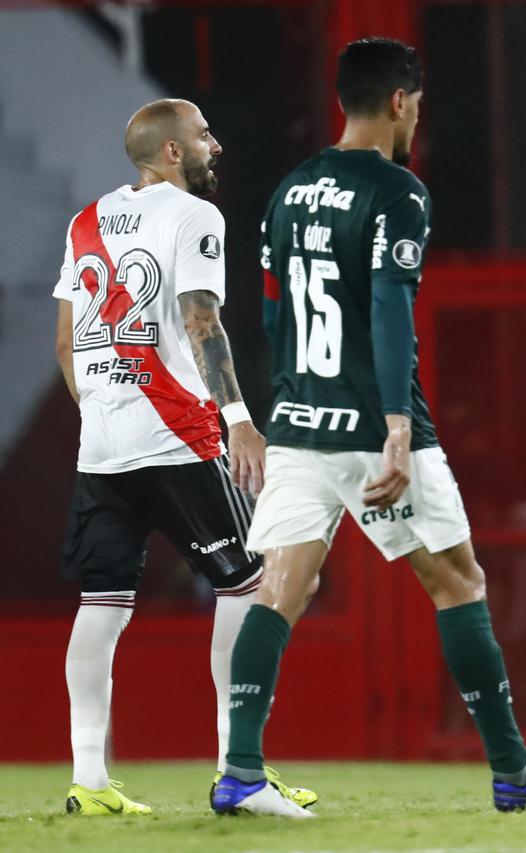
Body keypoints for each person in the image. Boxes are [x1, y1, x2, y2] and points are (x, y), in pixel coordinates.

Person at [211, 38, 526, 818]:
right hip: (372, 428)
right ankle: (513, 770)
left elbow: (268, 311)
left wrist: (288, 403)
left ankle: (241, 772)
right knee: (457, 581)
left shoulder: (288, 191)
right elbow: (391, 309)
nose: (416, 118)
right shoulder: (398, 193)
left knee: (283, 588)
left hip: (297, 422)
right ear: (399, 102)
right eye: (416, 105)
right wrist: (394, 425)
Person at [53, 99, 313, 815]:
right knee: (251, 588)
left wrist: (105, 414)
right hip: (177, 434)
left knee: (101, 606)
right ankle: (241, 771)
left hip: (102, 447)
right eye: (203, 135)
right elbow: (202, 319)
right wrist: (239, 419)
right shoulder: (194, 214)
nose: (215, 144)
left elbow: (67, 344)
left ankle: (89, 779)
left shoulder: (84, 223)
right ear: (171, 152)